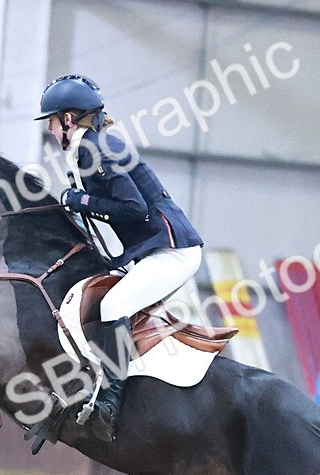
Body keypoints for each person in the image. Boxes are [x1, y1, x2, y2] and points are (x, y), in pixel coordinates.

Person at [36, 74, 204, 442]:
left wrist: (80, 201)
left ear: (68, 119)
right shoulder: (88, 147)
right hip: (152, 251)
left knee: (112, 305)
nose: (49, 130)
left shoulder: (95, 149)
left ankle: (111, 403)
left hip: (172, 251)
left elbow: (134, 208)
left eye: (51, 121)